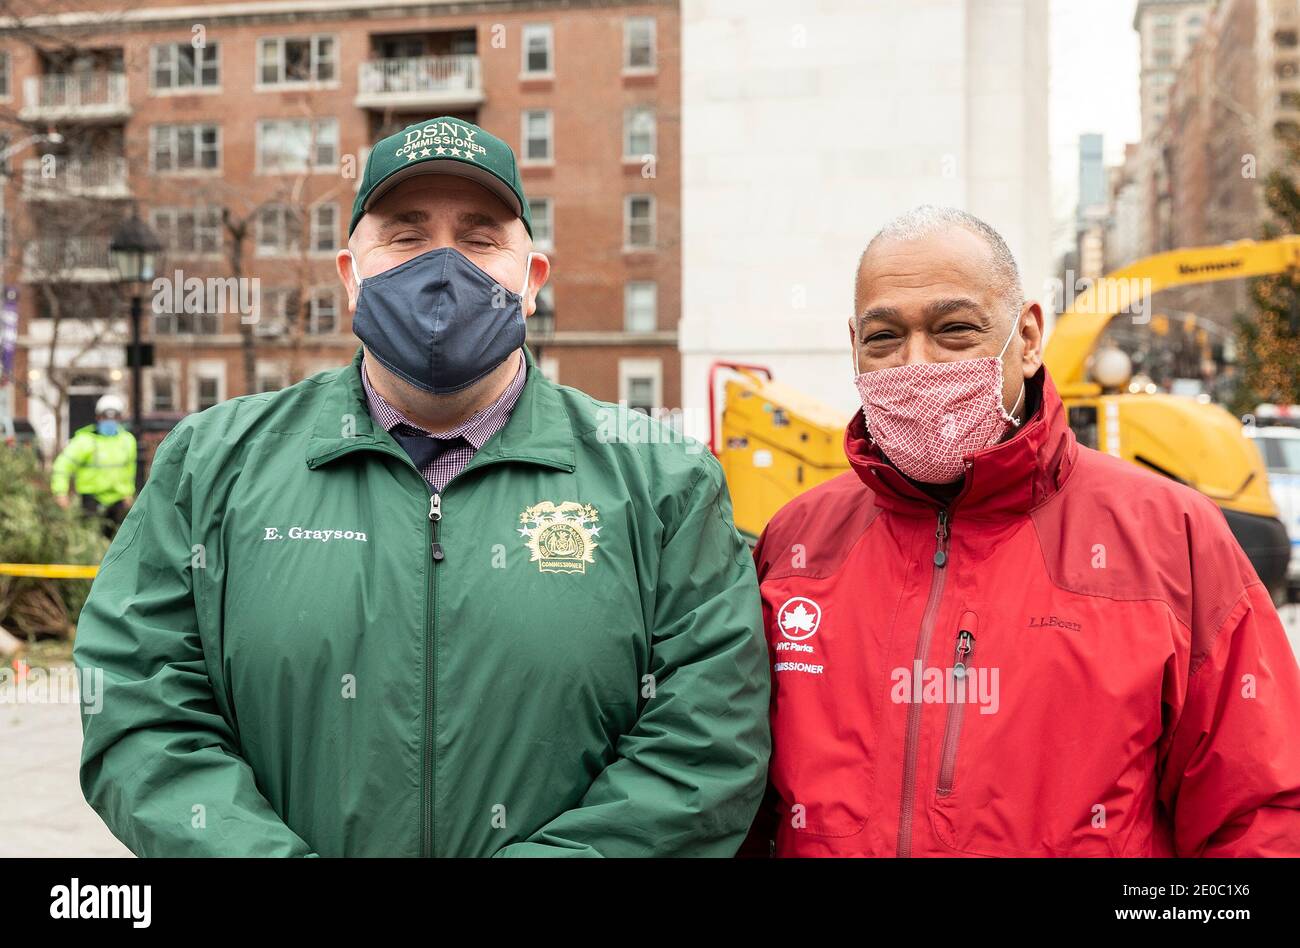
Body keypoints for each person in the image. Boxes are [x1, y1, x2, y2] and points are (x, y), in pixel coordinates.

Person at [73, 117, 769, 857]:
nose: (444, 267)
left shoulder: (663, 482)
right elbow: (141, 706)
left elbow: (705, 744)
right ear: (350, 276)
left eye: (480, 237)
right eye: (406, 237)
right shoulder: (212, 466)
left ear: (531, 280)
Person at [746, 205, 1300, 857]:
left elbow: (1260, 810)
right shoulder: (796, 543)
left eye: (954, 330)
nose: (916, 365)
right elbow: (741, 804)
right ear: (853, 346)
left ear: (1029, 337)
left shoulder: (1171, 539)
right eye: (884, 338)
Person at [50, 392, 135, 535]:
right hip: (91, 501)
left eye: (114, 417)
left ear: (120, 418)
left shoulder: (127, 441)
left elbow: (129, 470)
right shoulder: (84, 441)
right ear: (98, 417)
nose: (109, 421)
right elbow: (62, 466)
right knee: (91, 541)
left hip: (118, 501)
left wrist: (128, 493)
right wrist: (60, 492)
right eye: (105, 417)